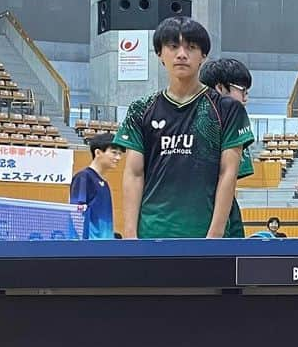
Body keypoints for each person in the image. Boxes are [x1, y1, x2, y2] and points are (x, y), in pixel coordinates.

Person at [116, 17, 254, 239]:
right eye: (173, 46)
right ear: (160, 54)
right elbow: (133, 172)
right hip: (151, 235)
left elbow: (228, 172)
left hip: (207, 236)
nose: (181, 54)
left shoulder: (227, 109)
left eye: (191, 47)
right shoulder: (140, 109)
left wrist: (215, 235)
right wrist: (130, 234)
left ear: (203, 56)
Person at [199, 58, 256, 238]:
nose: (246, 98)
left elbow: (229, 179)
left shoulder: (234, 123)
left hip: (226, 213)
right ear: (220, 88)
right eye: (242, 91)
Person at [69, 132, 123, 239]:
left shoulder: (105, 183)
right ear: (98, 152)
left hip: (104, 246)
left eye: (120, 154)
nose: (118, 157)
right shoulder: (83, 177)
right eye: (114, 153)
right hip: (89, 248)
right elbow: (76, 214)